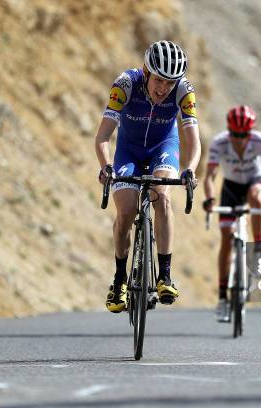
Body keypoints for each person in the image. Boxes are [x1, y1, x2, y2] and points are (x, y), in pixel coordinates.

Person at [95, 40, 201, 313]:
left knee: (161, 195)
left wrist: (189, 168)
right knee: (127, 211)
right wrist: (106, 166)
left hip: (163, 148)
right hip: (128, 151)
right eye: (158, 80)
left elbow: (194, 142)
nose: (163, 89)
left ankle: (164, 275)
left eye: (169, 82)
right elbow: (103, 136)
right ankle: (119, 280)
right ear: (145, 71)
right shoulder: (125, 84)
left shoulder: (184, 91)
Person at [203, 105, 261, 322]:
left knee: (257, 196)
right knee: (226, 238)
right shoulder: (220, 142)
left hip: (257, 181)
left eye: (243, 134)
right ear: (229, 130)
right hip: (231, 188)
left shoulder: (260, 140)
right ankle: (222, 297)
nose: (239, 139)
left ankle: (257, 248)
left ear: (250, 132)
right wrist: (209, 199)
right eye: (235, 134)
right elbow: (209, 177)